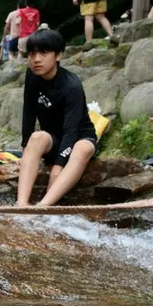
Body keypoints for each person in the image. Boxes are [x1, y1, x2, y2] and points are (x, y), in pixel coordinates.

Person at [17, 29, 97, 207]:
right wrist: (25, 150)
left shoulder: (72, 85)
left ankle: (43, 206)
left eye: (44, 53)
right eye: (32, 54)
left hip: (79, 137)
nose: (36, 59)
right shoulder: (32, 76)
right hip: (53, 139)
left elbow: (71, 130)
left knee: (83, 148)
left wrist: (58, 167)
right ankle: (21, 204)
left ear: (58, 54)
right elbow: (28, 112)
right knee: (36, 137)